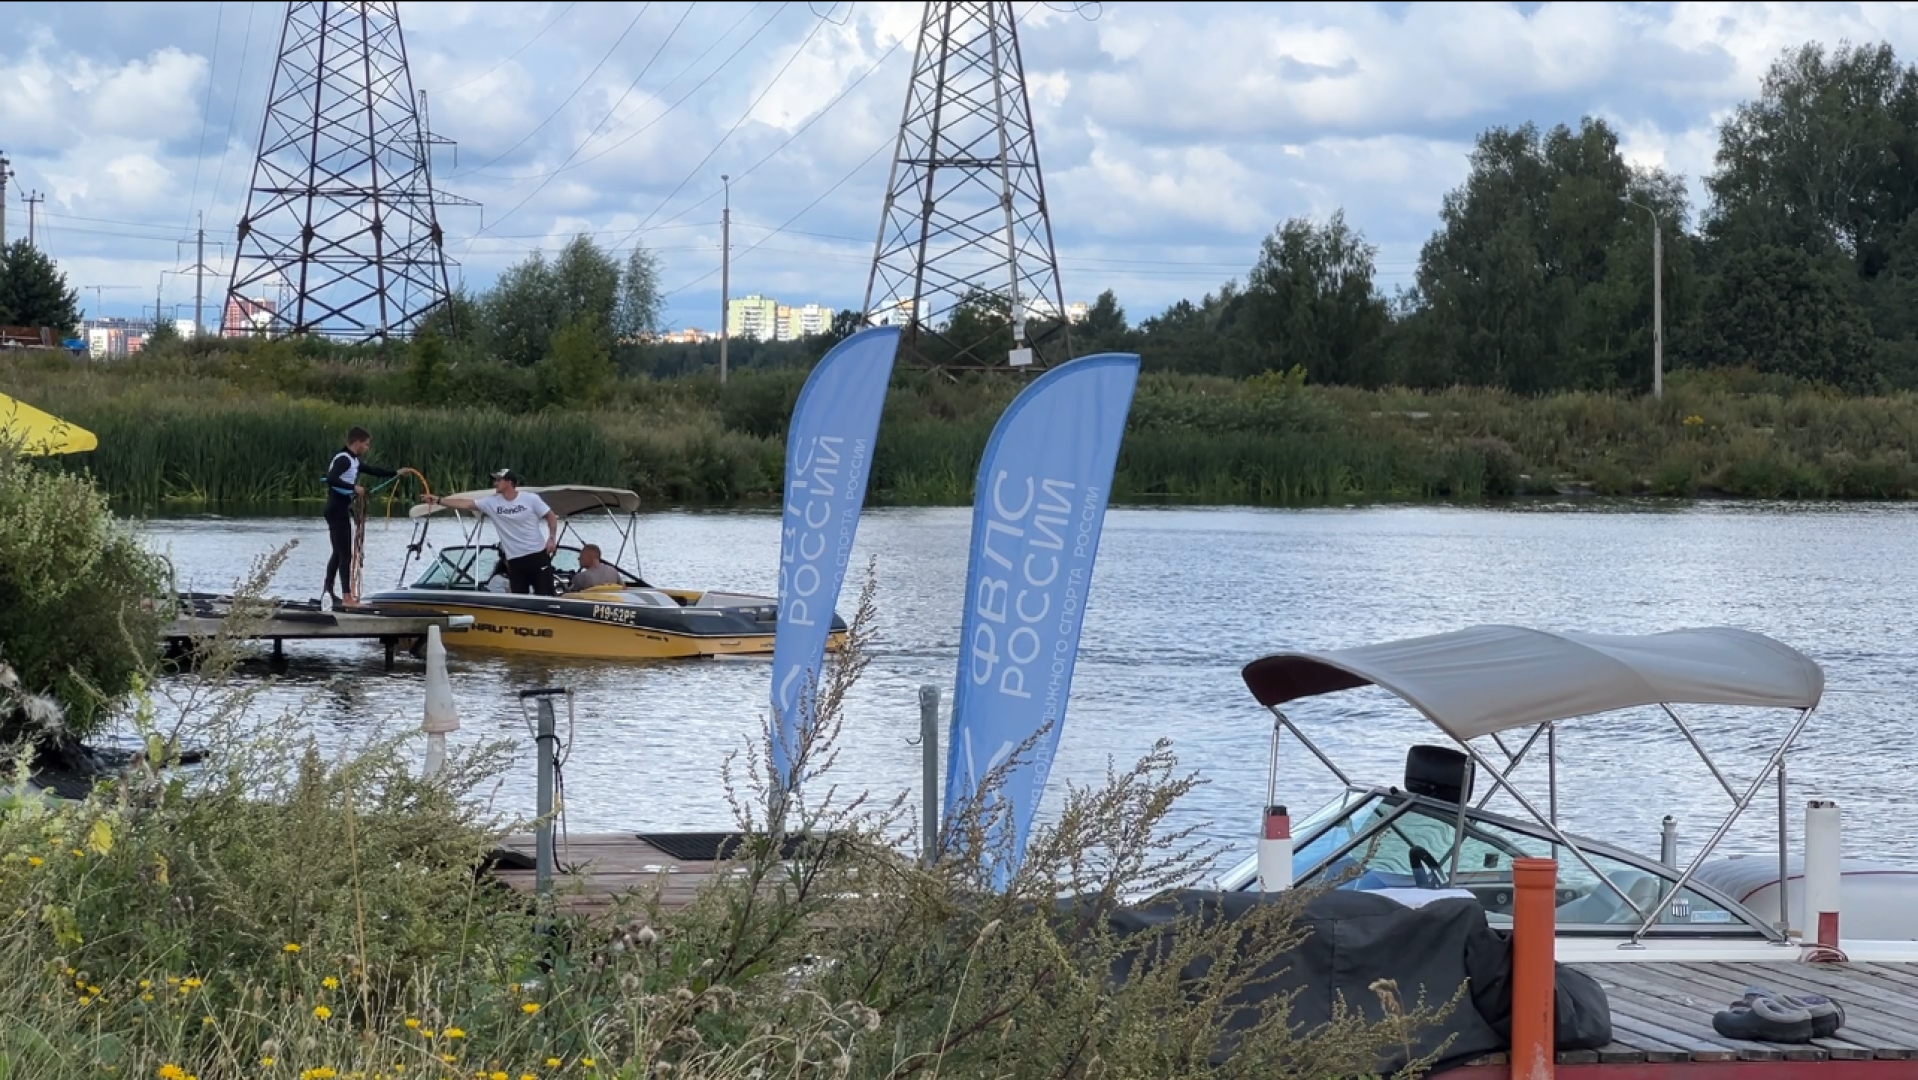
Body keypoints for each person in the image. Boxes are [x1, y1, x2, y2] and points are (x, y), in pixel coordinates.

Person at [421, 468, 559, 595]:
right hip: (515, 560)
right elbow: (467, 504)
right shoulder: (492, 502)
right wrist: (439, 500)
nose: (495, 483)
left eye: (499, 480)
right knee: (519, 597)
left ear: (509, 482)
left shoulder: (530, 499)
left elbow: (551, 517)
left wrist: (551, 538)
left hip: (537, 554)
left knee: (546, 594)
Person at [323, 426, 396, 608]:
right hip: (336, 509)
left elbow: (372, 469)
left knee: (338, 553)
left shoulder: (353, 460)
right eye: (366, 444)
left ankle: (329, 592)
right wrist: (354, 488)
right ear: (356, 442)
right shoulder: (344, 460)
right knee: (345, 554)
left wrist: (396, 473)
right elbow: (331, 478)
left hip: (338, 508)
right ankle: (347, 597)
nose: (367, 448)